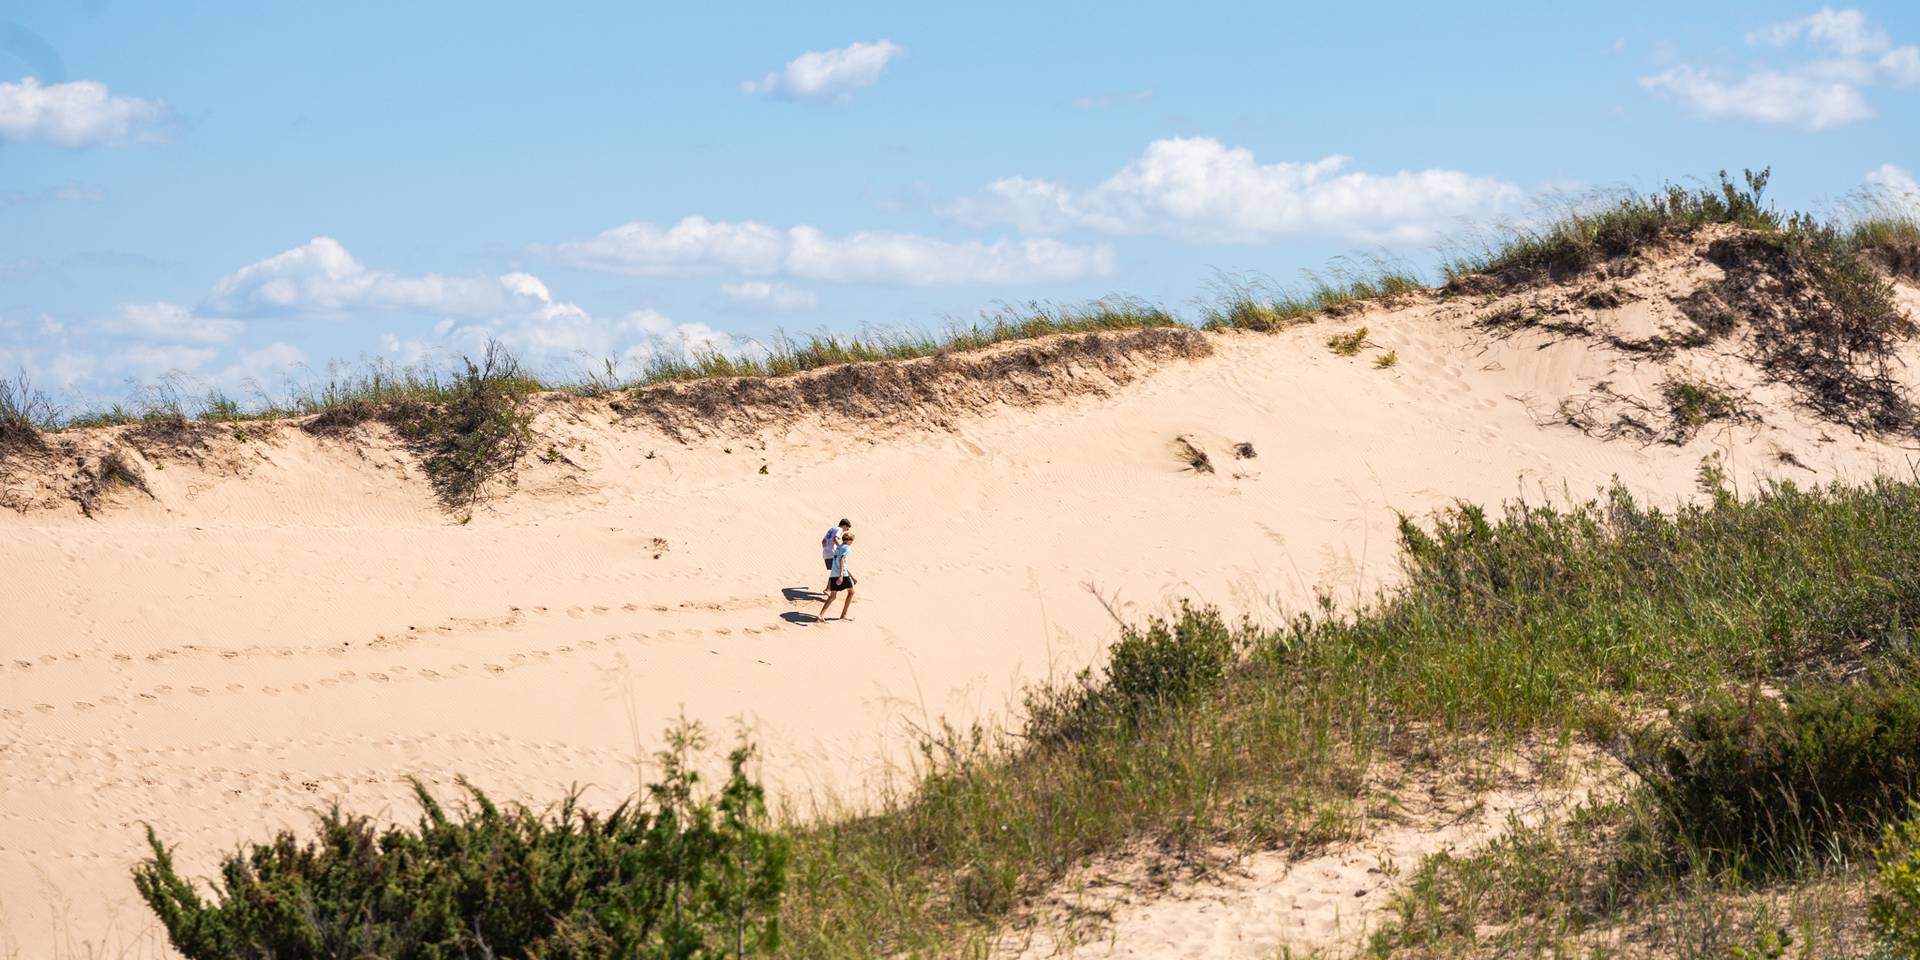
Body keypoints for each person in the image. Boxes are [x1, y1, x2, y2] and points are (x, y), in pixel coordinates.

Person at [818, 533, 855, 622]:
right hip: (841, 574)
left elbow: (839, 563)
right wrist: (841, 575)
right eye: (852, 541)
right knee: (851, 592)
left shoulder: (839, 547)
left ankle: (821, 615)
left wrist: (852, 576)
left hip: (833, 574)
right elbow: (841, 560)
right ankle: (843, 615)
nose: (852, 543)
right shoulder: (847, 547)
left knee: (832, 596)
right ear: (849, 540)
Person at [821, 518, 850, 594]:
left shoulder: (831, 529)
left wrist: (826, 549)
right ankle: (828, 589)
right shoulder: (839, 529)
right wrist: (840, 548)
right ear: (844, 525)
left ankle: (828, 589)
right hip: (832, 553)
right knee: (836, 571)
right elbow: (835, 539)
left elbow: (823, 541)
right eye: (846, 529)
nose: (845, 531)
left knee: (834, 571)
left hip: (826, 553)